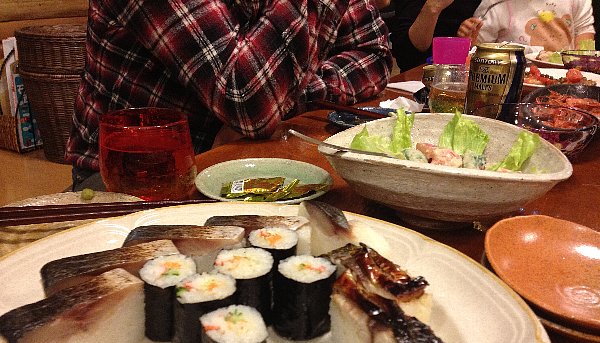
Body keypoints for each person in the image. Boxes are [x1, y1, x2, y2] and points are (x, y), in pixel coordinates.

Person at [67, 0, 393, 184]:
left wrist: (289, 97)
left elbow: (374, 52)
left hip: (245, 159)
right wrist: (272, 101)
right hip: (134, 181)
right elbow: (246, 101)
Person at [389, 0, 482, 72]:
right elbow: (405, 54)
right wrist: (432, 8)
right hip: (417, 75)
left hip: (460, 71)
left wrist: (468, 41)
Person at [474, 0, 595, 51]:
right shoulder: (496, 4)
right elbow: (478, 47)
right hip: (513, 77)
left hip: (566, 77)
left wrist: (581, 66)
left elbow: (583, 29)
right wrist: (470, 38)